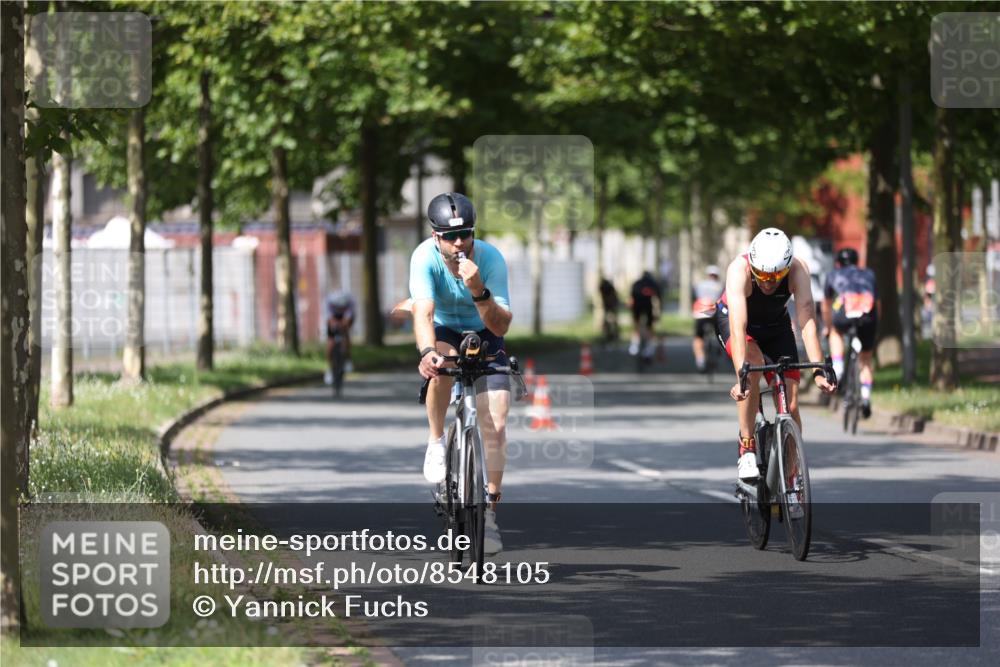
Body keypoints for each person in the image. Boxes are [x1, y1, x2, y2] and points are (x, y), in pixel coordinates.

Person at [409, 192, 512, 554]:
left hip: (486, 331)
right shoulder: (423, 257)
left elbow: (501, 326)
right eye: (449, 237)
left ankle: (490, 513)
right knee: (441, 366)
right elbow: (423, 313)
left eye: (464, 234)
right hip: (444, 329)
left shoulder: (491, 258)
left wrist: (478, 290)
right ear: (435, 236)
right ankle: (437, 440)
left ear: (473, 233)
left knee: (496, 421)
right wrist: (427, 353)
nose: (458, 244)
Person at [714, 228, 837, 482]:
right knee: (753, 364)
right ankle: (747, 446)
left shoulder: (798, 270)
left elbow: (807, 322)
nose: (768, 283)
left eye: (776, 277)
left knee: (791, 405)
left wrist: (818, 370)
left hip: (776, 326)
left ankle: (791, 476)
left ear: (787, 268)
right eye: (762, 276)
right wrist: (742, 377)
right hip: (737, 323)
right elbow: (738, 328)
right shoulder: (739, 270)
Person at [822, 247, 879, 418]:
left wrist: (828, 326)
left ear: (838, 263)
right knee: (866, 359)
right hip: (868, 315)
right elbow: (878, 303)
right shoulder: (869, 274)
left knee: (835, 332)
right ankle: (866, 397)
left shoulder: (833, 274)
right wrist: (874, 325)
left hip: (845, 313)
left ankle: (838, 370)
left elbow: (826, 305)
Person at [692, 265, 724, 371]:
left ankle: (700, 361)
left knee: (698, 337)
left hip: (700, 312)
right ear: (717, 276)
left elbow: (695, 296)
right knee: (721, 331)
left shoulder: (700, 285)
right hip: (713, 311)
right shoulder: (720, 286)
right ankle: (720, 346)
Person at [325, 290, 355, 383]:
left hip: (345, 318)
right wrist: (333, 324)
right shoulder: (328, 303)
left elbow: (349, 318)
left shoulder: (350, 302)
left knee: (345, 334)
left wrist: (344, 324)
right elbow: (329, 319)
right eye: (338, 307)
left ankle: (348, 358)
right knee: (330, 344)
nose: (340, 308)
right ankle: (329, 369)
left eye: (342, 307)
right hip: (333, 317)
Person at [629, 270, 661, 356]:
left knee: (636, 325)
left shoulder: (636, 283)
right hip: (647, 306)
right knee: (649, 327)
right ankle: (648, 348)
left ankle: (634, 345)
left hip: (637, 307)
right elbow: (658, 297)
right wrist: (658, 312)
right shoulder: (653, 283)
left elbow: (631, 297)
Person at [598, 276, 620, 343]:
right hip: (609, 305)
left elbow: (614, 296)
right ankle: (610, 334)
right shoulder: (605, 287)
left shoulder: (606, 287)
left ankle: (613, 334)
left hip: (610, 305)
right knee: (609, 321)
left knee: (612, 320)